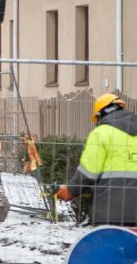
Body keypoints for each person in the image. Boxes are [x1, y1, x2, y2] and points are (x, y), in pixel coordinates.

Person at [57, 93, 137, 227]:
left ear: (100, 114)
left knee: (109, 246)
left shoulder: (101, 133)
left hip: (110, 211)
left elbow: (89, 172)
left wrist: (70, 190)